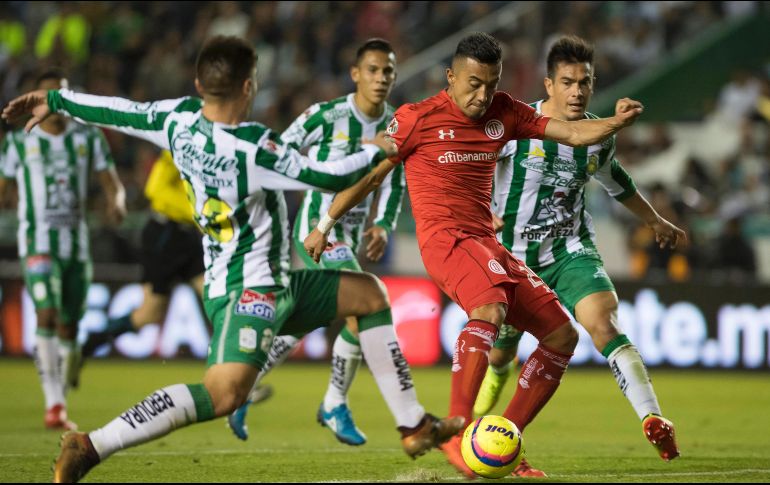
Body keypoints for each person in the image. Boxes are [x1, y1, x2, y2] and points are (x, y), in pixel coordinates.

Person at [3, 36, 463, 483]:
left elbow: (120, 110)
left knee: (368, 294)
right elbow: (326, 174)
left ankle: (413, 425)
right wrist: (380, 147)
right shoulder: (251, 147)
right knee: (222, 394)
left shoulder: (177, 120)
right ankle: (91, 444)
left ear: (201, 86)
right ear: (248, 85)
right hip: (248, 291)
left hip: (269, 280)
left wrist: (58, 100)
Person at [304, 32, 645, 478]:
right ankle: (458, 428)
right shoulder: (417, 118)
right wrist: (324, 224)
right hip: (445, 240)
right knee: (490, 306)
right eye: (472, 83)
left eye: (491, 83)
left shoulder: (504, 110)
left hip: (486, 241)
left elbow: (574, 134)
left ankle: (505, 438)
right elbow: (371, 177)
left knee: (562, 335)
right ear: (450, 77)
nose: (482, 95)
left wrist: (615, 123)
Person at [475, 35, 683, 462]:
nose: (577, 91)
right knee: (500, 355)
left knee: (603, 322)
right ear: (548, 84)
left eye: (584, 82)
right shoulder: (514, 125)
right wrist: (481, 212)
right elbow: (471, 165)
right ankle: (483, 404)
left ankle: (652, 418)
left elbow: (617, 181)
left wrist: (654, 219)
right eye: (567, 82)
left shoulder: (596, 135)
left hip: (570, 249)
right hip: (511, 258)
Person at [227, 38, 406, 446]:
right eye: (374, 70)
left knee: (311, 317)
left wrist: (382, 224)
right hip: (319, 225)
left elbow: (395, 176)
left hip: (354, 229)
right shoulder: (327, 115)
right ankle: (333, 402)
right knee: (363, 306)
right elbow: (280, 150)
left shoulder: (396, 124)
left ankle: (241, 385)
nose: (381, 79)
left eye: (388, 72)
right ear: (356, 74)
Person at [81, 149, 274, 404]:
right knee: (149, 314)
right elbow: (155, 189)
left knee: (220, 300)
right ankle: (89, 344)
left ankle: (234, 381)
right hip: (164, 233)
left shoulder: (221, 146)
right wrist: (197, 211)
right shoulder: (181, 143)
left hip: (189, 237)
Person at [0, 69, 126, 431]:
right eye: (50, 93)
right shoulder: (18, 142)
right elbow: (4, 187)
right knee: (47, 314)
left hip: (76, 246)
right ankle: (54, 405)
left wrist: (116, 201)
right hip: (36, 242)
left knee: (70, 327)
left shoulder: (88, 137)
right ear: (36, 98)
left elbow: (110, 182)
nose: (57, 100)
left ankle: (66, 374)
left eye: (63, 93)